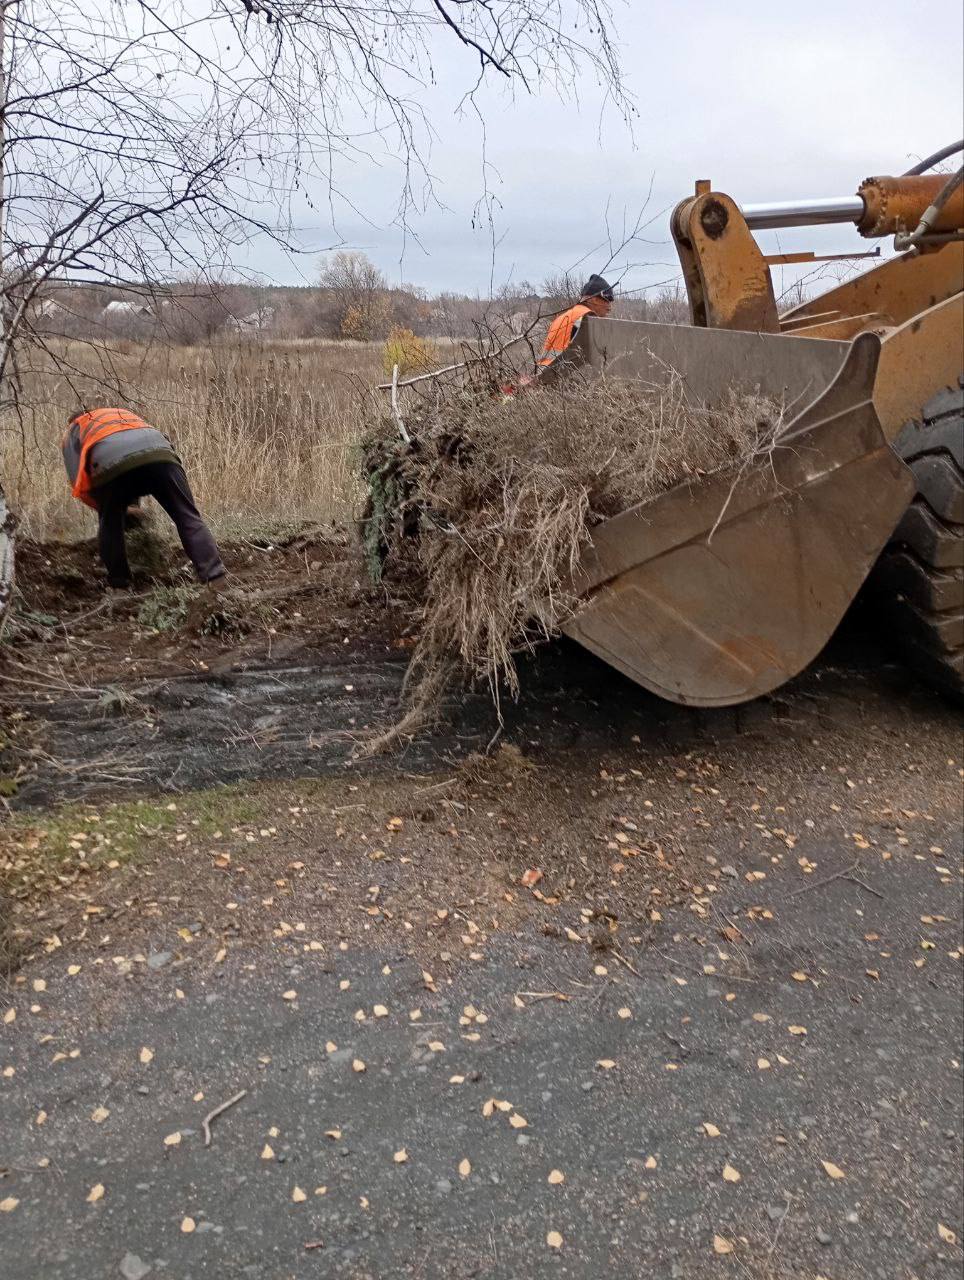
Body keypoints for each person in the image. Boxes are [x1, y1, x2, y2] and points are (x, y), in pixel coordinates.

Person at [62, 407, 226, 590]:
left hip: (112, 466)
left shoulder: (74, 429)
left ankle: (119, 585)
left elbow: (80, 484)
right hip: (161, 454)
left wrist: (110, 509)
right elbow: (144, 453)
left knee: (110, 524)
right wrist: (130, 505)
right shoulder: (117, 413)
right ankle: (214, 576)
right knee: (186, 516)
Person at [538, 273, 614, 367]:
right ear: (594, 299)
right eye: (608, 298)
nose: (610, 306)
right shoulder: (586, 317)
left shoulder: (564, 317)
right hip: (560, 372)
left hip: (543, 370)